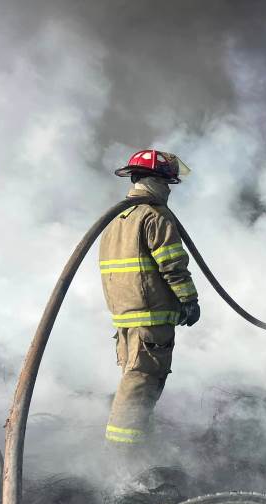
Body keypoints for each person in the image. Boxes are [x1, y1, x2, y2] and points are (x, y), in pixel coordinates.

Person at [99, 149, 200, 452]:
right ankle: (123, 459)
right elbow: (172, 265)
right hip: (151, 318)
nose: (169, 189)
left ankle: (137, 445)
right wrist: (189, 300)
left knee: (134, 381)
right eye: (168, 182)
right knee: (141, 385)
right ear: (157, 181)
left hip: (127, 319)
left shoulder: (117, 217)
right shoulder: (154, 216)